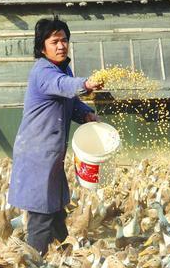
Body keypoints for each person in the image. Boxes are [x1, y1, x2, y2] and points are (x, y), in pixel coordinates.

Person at [7, 17, 102, 255]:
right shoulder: (43, 71)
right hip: (37, 154)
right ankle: (31, 265)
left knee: (57, 209)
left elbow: (71, 100)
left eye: (64, 40)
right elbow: (63, 86)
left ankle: (64, 257)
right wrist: (87, 84)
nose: (61, 46)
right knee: (41, 215)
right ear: (42, 47)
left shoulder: (63, 68)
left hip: (51, 153)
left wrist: (87, 115)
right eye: (55, 41)